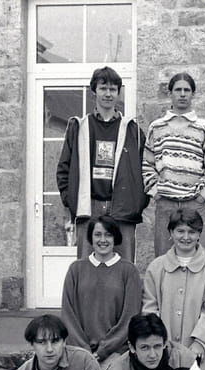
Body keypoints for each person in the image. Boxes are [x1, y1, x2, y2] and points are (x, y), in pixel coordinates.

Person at [56, 66, 147, 261]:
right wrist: (72, 201)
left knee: (124, 268)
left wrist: (137, 204)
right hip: (88, 208)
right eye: (103, 88)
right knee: (86, 268)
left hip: (123, 209)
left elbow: (146, 170)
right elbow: (63, 170)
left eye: (113, 89)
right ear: (94, 91)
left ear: (118, 93)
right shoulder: (78, 127)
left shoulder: (133, 130)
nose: (108, 94)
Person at [143, 209, 205, 370]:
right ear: (171, 232)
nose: (186, 237)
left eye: (192, 232)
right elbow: (150, 309)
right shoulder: (156, 268)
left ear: (199, 234)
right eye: (180, 231)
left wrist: (200, 342)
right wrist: (160, 342)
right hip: (164, 354)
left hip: (203, 357)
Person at [143, 72, 205, 256]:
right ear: (170, 93)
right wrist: (157, 193)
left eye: (187, 90)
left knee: (203, 258)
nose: (182, 94)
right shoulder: (156, 127)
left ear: (193, 94)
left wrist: (203, 195)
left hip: (195, 203)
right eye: (178, 90)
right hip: (166, 203)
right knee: (164, 259)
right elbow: (147, 164)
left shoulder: (204, 127)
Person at [61, 215, 142, 366]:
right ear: (90, 238)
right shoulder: (76, 269)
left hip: (116, 354)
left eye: (108, 235)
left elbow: (130, 317)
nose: (102, 240)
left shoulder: (129, 271)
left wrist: (104, 350)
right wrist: (84, 351)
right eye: (97, 234)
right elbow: (68, 314)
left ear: (115, 237)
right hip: (79, 353)